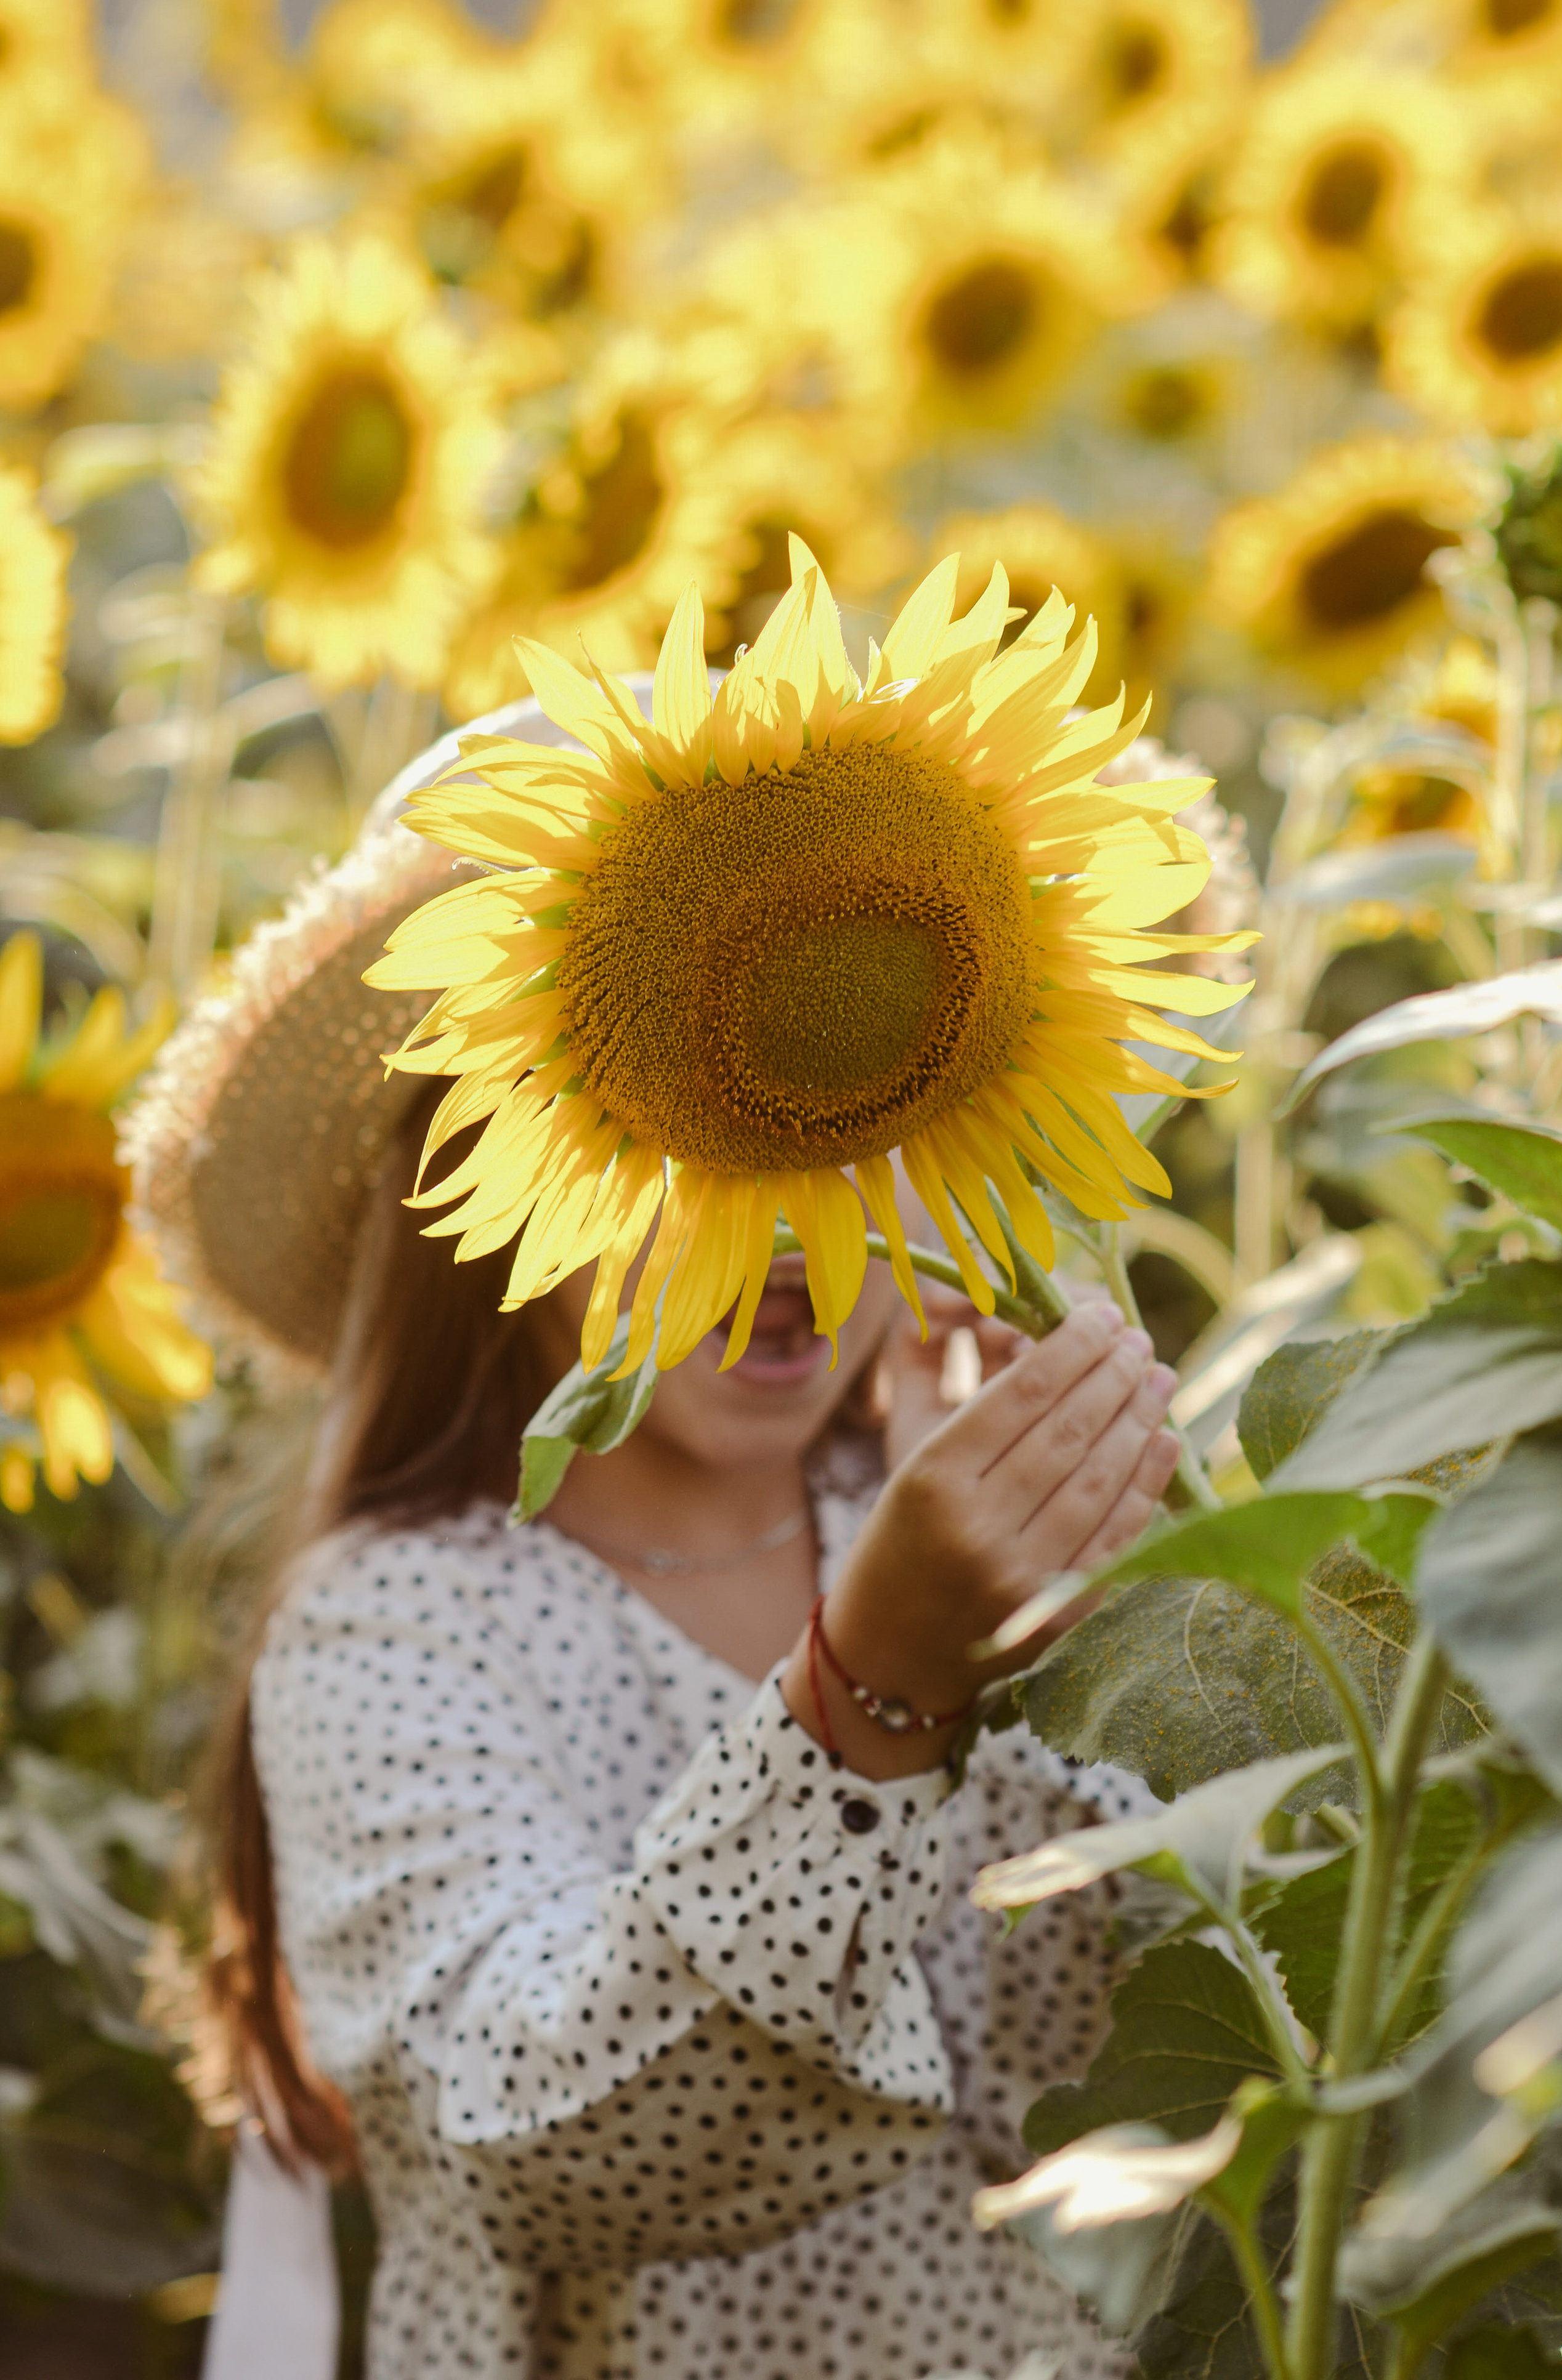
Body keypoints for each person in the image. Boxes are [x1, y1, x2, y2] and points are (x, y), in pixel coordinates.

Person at [129, 684, 1180, 2380]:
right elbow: (545, 2139)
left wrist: (1133, 1613)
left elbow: (1167, 2025)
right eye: (691, 1119)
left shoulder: (942, 1520)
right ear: (494, 1179)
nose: (785, 1204)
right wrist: (881, 1691)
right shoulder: (398, 1626)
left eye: (849, 1105)